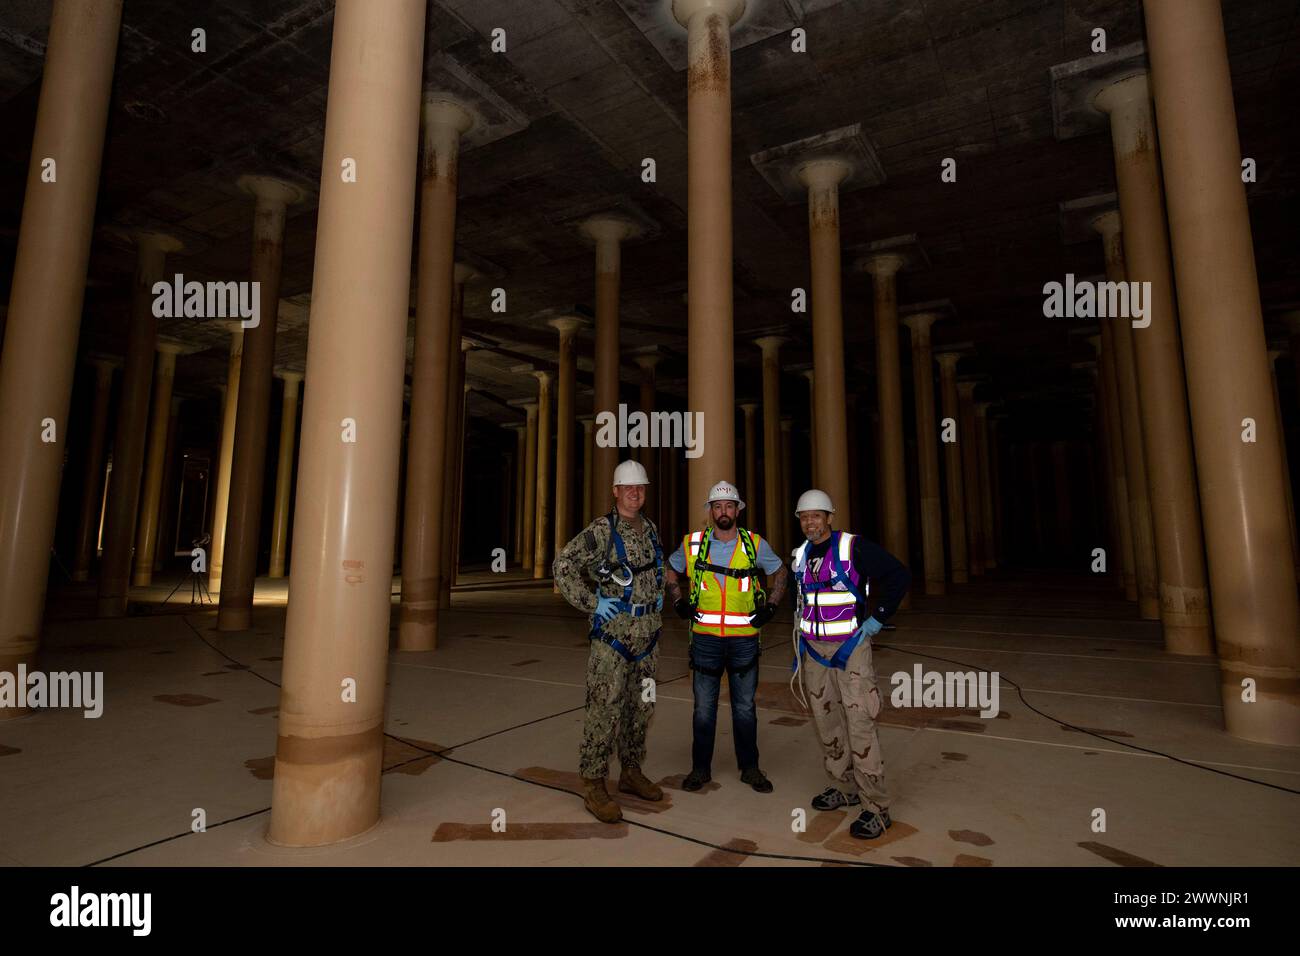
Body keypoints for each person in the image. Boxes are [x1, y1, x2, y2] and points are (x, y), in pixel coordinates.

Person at [790, 489, 910, 839]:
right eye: (804, 516)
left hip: (850, 648)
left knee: (859, 724)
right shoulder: (800, 555)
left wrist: (877, 618)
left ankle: (876, 806)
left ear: (829, 517)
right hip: (813, 652)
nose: (810, 522)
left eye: (816, 515)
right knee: (827, 722)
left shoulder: (853, 548)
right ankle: (844, 787)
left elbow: (898, 575)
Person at [553, 459, 666, 824]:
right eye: (629, 488)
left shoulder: (649, 529)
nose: (635, 493)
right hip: (613, 639)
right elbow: (564, 565)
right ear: (616, 491)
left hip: (648, 638)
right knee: (605, 708)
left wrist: (659, 595)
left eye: (641, 488)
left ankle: (631, 771)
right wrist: (592, 602)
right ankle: (594, 783)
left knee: (641, 708)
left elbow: (655, 570)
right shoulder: (601, 531)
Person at [666, 480, 787, 793]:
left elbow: (781, 572)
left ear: (737, 510)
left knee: (744, 707)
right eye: (717, 506)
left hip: (744, 640)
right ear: (710, 511)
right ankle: (700, 769)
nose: (723, 511)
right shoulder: (692, 544)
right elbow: (670, 569)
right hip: (705, 639)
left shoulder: (754, 544)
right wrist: (677, 599)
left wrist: (772, 607)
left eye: (729, 506)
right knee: (703, 708)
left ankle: (750, 768)